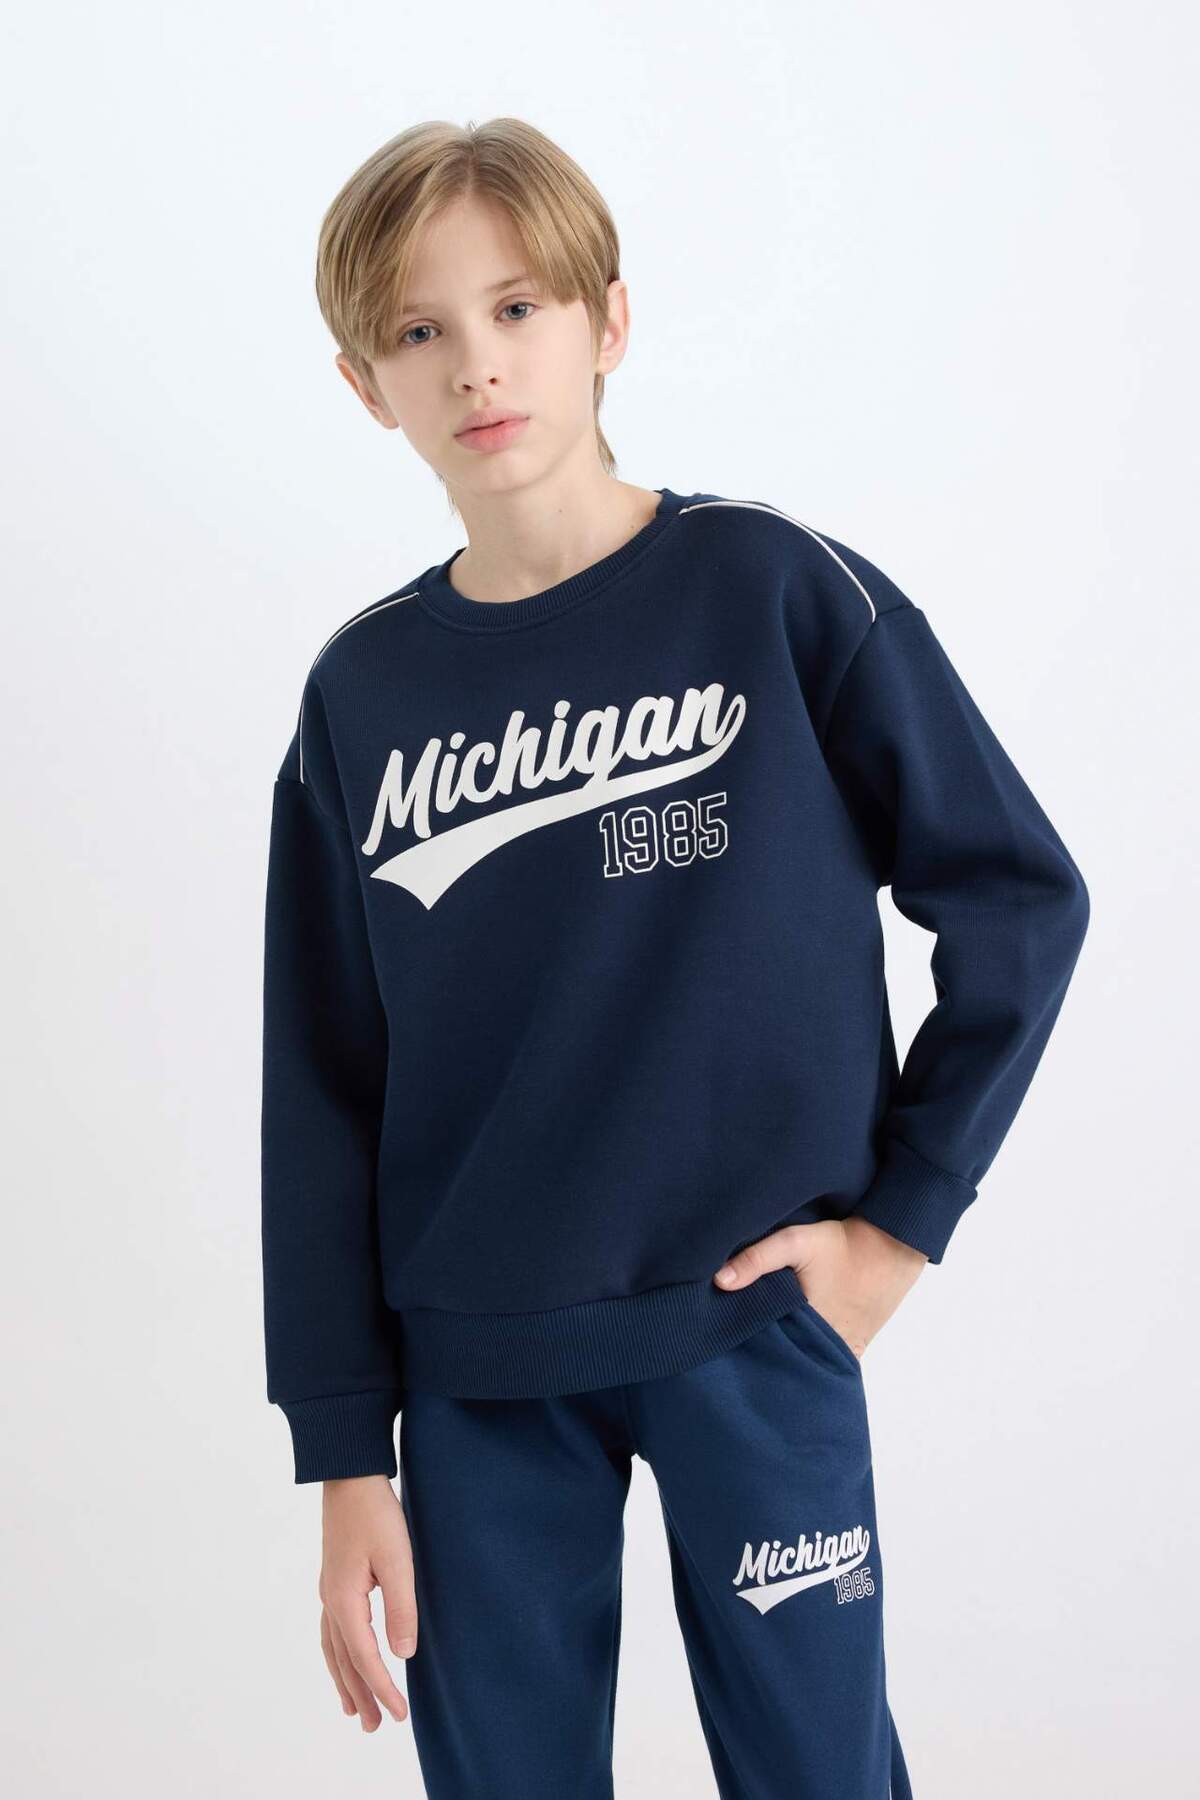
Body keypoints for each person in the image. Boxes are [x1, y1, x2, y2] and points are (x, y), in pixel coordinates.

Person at [259, 116, 1090, 1798]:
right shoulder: (364, 696)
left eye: (519, 307)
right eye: (419, 331)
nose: (477, 364)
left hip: (753, 1331)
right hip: (476, 1377)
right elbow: (322, 1088)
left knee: (818, 1774)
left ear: (610, 321)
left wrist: (897, 1229)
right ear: (365, 385)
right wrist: (346, 1453)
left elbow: (1018, 899)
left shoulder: (774, 591)